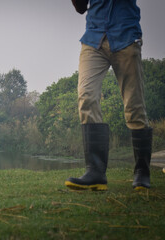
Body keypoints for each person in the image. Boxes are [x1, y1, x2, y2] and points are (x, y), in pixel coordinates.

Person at [65, 0, 152, 191]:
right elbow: (80, 8)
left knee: (134, 106)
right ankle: (95, 172)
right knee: (86, 97)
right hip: (93, 38)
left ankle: (142, 172)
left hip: (126, 37)